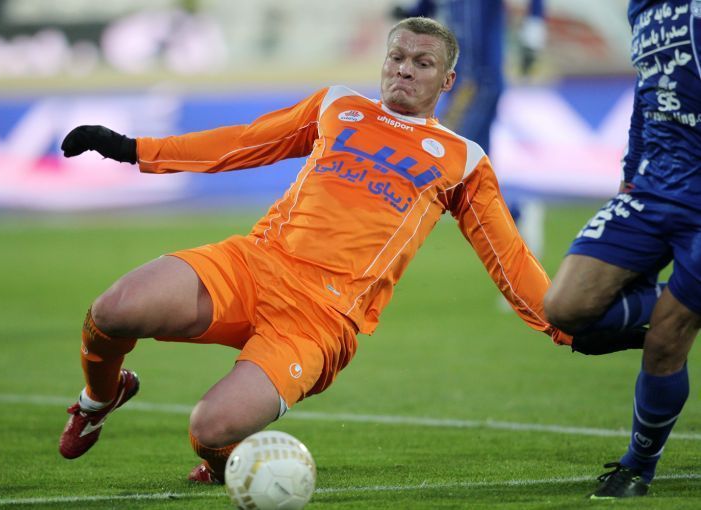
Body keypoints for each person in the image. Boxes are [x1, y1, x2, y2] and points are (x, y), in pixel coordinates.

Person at [58, 16, 573, 484]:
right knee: (114, 311)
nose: (404, 70)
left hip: (319, 317)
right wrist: (133, 149)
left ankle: (220, 465)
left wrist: (567, 326)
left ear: (447, 80)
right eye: (397, 57)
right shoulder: (338, 106)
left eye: (423, 63)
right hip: (253, 264)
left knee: (210, 429)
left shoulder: (464, 160)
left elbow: (510, 259)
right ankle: (99, 399)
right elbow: (243, 141)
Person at [544, 0, 701, 499]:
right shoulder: (642, 9)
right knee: (566, 308)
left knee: (667, 338)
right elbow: (646, 92)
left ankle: (637, 467)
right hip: (652, 190)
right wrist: (630, 176)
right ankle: (675, 306)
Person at [392, 0, 548, 258]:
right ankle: (517, 218)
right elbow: (427, 8)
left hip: (480, 84)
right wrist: (408, 14)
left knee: (446, 155)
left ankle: (517, 216)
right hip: (461, 85)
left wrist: (533, 33)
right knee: (474, 172)